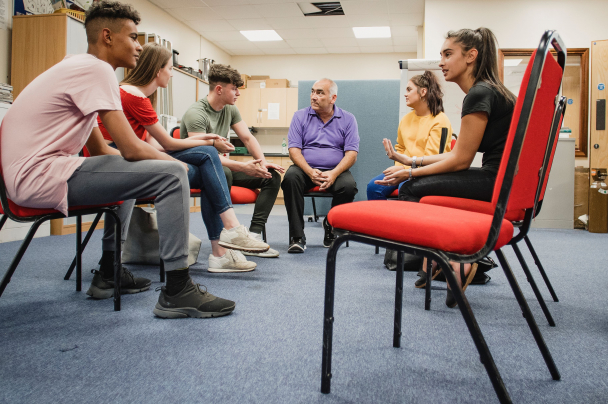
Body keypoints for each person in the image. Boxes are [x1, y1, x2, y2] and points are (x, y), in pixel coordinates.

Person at [0, 0, 242, 319]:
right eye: (132, 37)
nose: (138, 47)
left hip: (31, 176)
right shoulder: (96, 69)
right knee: (169, 175)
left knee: (138, 170)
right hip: (39, 178)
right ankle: (178, 290)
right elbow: (130, 148)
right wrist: (171, 165)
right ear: (107, 36)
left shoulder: (78, 68)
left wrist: (153, 161)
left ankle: (110, 271)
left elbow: (103, 151)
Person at [97, 44, 269, 274]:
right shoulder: (134, 96)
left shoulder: (140, 96)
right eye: (169, 68)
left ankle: (224, 246)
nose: (171, 73)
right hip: (119, 159)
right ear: (157, 70)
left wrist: (205, 140)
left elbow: (156, 144)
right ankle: (225, 240)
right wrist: (204, 144)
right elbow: (166, 145)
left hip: (137, 155)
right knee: (208, 160)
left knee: (208, 169)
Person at [376, 28, 514, 308]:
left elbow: (460, 161)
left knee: (412, 188)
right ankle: (442, 259)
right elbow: (456, 153)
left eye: (448, 54)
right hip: (503, 180)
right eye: (441, 55)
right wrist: (410, 161)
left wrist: (411, 173)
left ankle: (452, 258)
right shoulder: (490, 90)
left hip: (495, 182)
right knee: (418, 183)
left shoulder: (479, 94)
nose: (441, 62)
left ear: (471, 56)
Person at [180, 64, 285, 258]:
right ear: (219, 89)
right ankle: (224, 239)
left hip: (223, 166)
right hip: (203, 171)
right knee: (225, 172)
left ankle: (253, 236)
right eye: (234, 88)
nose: (238, 93)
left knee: (270, 177)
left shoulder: (230, 109)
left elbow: (248, 138)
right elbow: (203, 154)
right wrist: (243, 167)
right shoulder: (197, 112)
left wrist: (261, 163)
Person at [282, 78, 359, 253]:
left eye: (319, 93)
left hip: (336, 170)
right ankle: (297, 236)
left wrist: (334, 173)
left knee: (348, 187)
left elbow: (352, 154)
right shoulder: (299, 116)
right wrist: (309, 171)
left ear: (333, 98)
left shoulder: (348, 119)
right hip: (305, 168)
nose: (313, 96)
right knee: (290, 179)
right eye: (312, 91)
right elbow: (294, 149)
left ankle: (330, 224)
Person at [366, 71, 453, 201]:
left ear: (423, 92)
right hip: (405, 168)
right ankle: (384, 221)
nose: (405, 94)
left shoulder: (440, 120)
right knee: (373, 187)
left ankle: (403, 220)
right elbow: (400, 148)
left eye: (409, 89)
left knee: (404, 188)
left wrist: (403, 168)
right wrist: (397, 166)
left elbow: (431, 160)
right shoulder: (406, 119)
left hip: (427, 172)